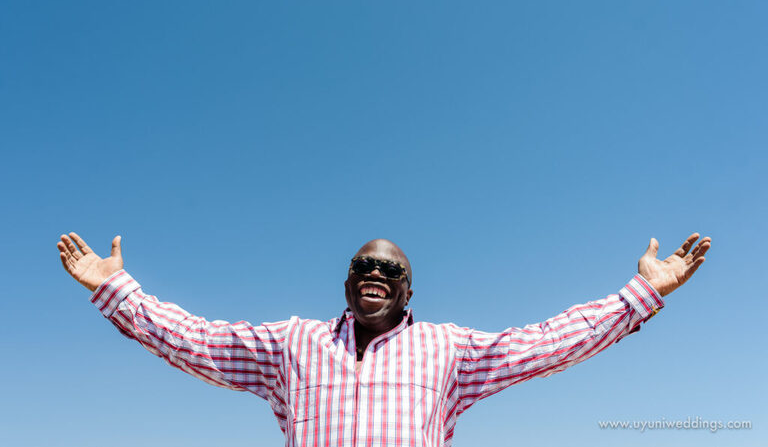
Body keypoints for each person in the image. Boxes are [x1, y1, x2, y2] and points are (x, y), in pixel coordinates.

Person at [57, 232, 710, 447]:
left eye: (390, 268)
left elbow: (546, 342)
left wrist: (639, 294)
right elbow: (199, 340)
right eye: (363, 265)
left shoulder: (450, 352)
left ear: (408, 288)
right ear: (347, 282)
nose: (375, 272)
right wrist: (117, 290)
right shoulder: (292, 343)